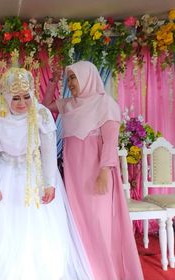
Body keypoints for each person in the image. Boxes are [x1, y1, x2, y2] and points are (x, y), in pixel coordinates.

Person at [0, 66, 93, 280]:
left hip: (35, 174)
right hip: (3, 173)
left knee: (40, 229)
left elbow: (48, 151)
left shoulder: (41, 113)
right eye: (16, 98)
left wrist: (50, 183)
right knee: (3, 228)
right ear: (7, 97)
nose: (22, 104)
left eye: (26, 97)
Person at [43, 60, 144, 280]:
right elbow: (44, 106)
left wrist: (104, 172)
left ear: (87, 77)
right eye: (68, 78)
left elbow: (110, 142)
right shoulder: (68, 104)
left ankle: (105, 273)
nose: (70, 83)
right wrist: (52, 81)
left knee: (99, 224)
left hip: (97, 173)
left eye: (74, 77)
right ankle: (86, 271)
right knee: (79, 224)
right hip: (74, 176)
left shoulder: (105, 104)